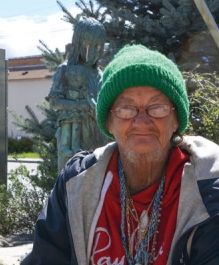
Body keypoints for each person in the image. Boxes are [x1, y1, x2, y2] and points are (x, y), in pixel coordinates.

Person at [22, 44, 219, 265]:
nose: (142, 120)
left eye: (158, 107)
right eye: (126, 108)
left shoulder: (211, 190)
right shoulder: (75, 182)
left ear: (175, 121)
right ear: (109, 122)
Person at [48, 16, 107, 169]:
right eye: (88, 47)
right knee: (74, 180)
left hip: (100, 137)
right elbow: (54, 102)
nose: (93, 52)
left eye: (98, 47)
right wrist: (81, 106)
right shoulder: (66, 70)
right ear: (78, 43)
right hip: (75, 136)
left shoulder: (101, 75)